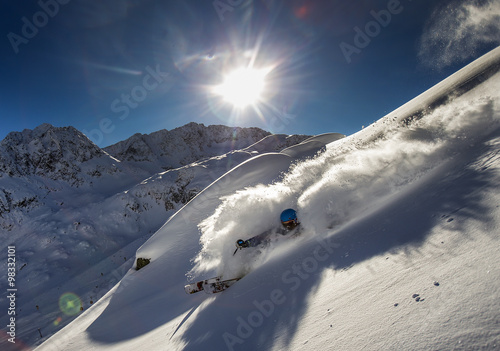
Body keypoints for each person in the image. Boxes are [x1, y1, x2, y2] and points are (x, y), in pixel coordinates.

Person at [234, 208, 300, 254]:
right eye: (284, 224)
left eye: (290, 224)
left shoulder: (303, 227)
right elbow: (261, 237)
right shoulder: (281, 231)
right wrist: (246, 243)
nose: (287, 227)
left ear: (296, 220)